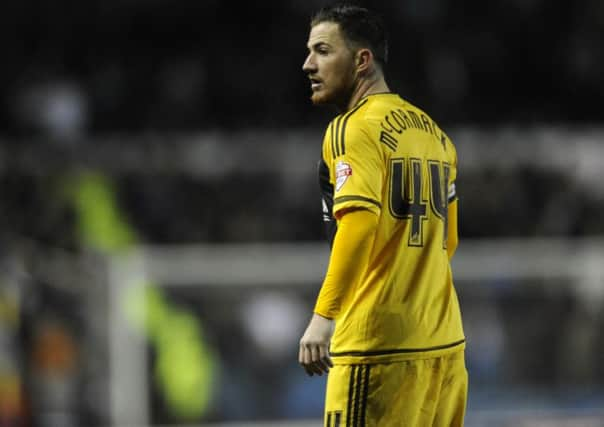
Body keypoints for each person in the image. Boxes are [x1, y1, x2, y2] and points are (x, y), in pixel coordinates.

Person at [298, 3, 467, 426]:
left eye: (322, 50)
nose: (308, 64)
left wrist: (323, 319)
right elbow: (448, 242)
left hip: (377, 351)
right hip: (444, 347)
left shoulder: (351, 129)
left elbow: (358, 225)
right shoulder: (434, 134)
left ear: (361, 60)